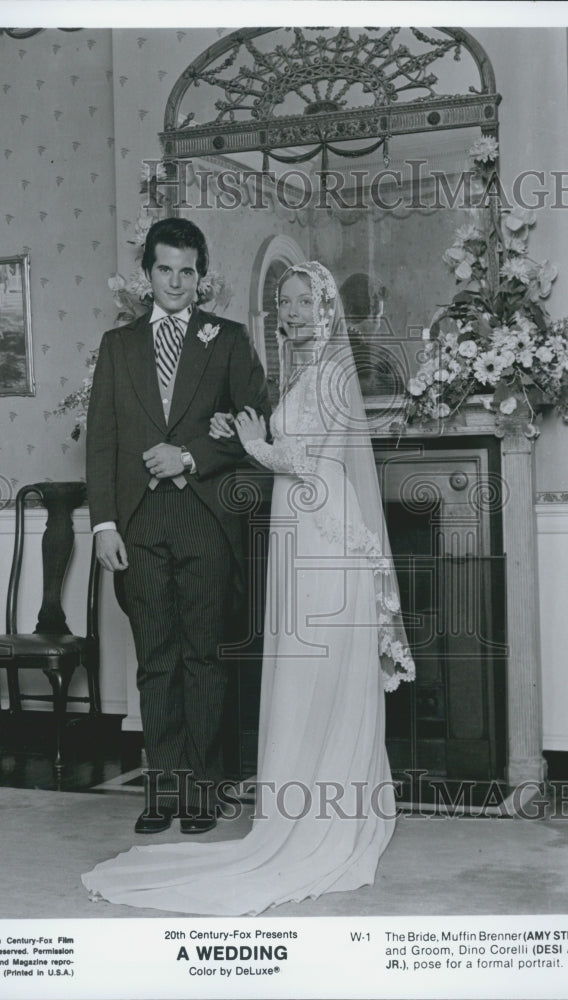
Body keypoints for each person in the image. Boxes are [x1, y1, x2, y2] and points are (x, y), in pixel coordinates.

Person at [81, 261, 415, 915]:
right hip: (305, 525)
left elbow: (304, 461)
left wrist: (256, 445)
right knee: (302, 670)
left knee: (319, 669)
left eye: (299, 302)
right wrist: (240, 434)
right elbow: (289, 444)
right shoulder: (308, 375)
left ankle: (328, 816)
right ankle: (305, 805)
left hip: (323, 531)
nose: (288, 312)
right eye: (282, 302)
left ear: (324, 310)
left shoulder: (332, 376)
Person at [85, 218, 270, 835]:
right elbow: (103, 441)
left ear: (201, 276)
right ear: (147, 274)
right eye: (164, 269)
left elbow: (254, 423)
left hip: (202, 516)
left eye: (186, 271)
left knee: (203, 660)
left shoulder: (229, 340)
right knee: (155, 660)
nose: (175, 281)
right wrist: (104, 524)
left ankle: (203, 794)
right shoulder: (119, 346)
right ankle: (162, 792)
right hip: (137, 524)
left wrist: (190, 456)